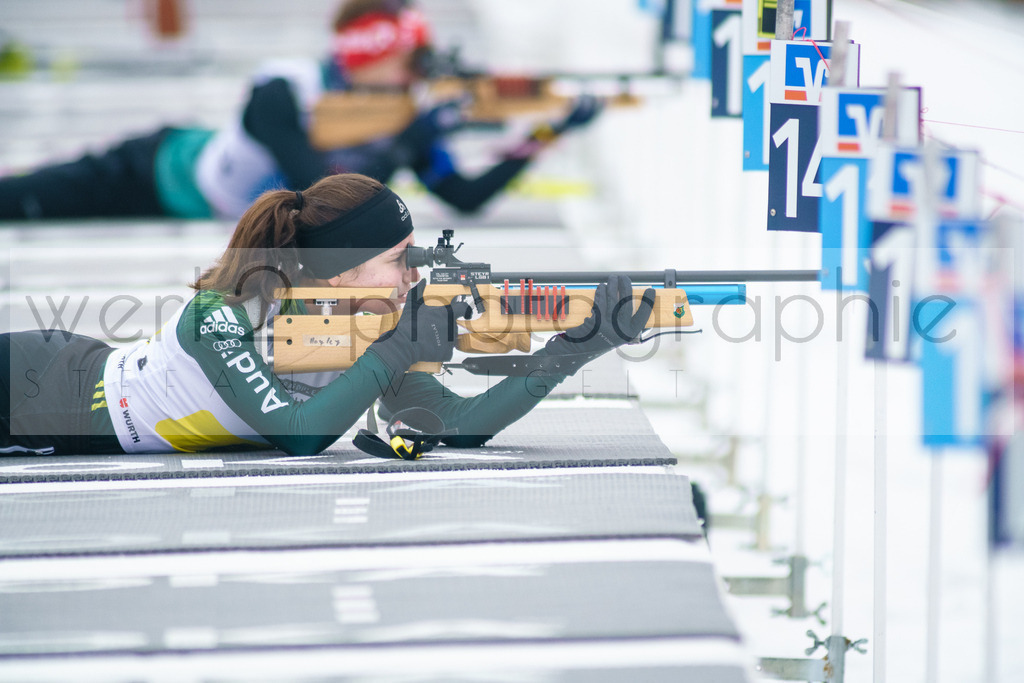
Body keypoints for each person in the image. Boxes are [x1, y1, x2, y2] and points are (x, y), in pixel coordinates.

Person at [1, 173, 653, 456]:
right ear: (340, 269)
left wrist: (577, 346)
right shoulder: (220, 315)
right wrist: (402, 347)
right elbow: (299, 434)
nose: (414, 276)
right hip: (34, 388)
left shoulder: (362, 330)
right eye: (398, 260)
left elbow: (455, 424)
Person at [0, 0, 602, 221]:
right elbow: (316, 192)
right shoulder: (284, 90)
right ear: (369, 61)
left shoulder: (400, 116)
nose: (418, 76)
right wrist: (411, 138)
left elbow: (464, 197)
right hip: (152, 171)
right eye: (411, 61)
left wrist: (545, 134)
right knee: (21, 200)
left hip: (193, 198)